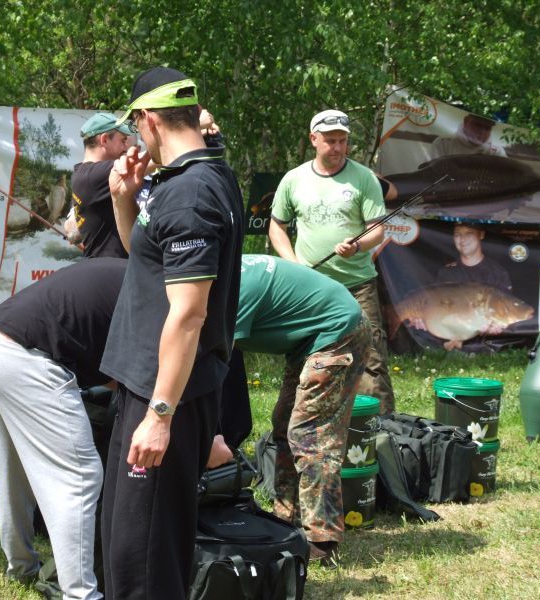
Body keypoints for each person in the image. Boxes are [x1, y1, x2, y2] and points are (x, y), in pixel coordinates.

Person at [99, 66, 244, 600]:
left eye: (136, 127)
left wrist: (160, 416)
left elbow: (188, 314)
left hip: (166, 395)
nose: (137, 139)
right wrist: (124, 197)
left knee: (145, 558)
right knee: (125, 546)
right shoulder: (198, 175)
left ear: (149, 119)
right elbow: (146, 257)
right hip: (146, 385)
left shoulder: (190, 194)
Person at [0, 257, 128, 598]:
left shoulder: (124, 273)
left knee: (13, 470)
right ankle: (81, 593)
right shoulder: (154, 296)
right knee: (81, 476)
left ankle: (21, 566)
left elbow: (112, 372)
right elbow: (132, 378)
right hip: (28, 359)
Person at [211, 255, 370, 566]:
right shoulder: (224, 273)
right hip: (308, 343)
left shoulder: (233, 293)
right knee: (284, 424)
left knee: (309, 433)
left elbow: (215, 366)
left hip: (341, 331)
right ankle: (287, 517)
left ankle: (322, 538)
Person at [268, 109, 394, 413]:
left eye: (342, 141)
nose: (337, 147)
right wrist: (292, 264)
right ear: (314, 139)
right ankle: (294, 428)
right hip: (311, 287)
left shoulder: (364, 178)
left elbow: (377, 230)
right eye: (330, 141)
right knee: (303, 357)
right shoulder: (294, 179)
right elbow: (276, 226)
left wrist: (358, 245)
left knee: (371, 360)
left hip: (358, 285)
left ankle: (379, 429)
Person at [409, 223, 513, 351]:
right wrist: (423, 318)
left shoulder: (497, 272)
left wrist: (499, 327)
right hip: (449, 329)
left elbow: (506, 312)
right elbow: (437, 306)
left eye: (469, 233)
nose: (462, 239)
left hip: (483, 340)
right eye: (457, 234)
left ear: (481, 235)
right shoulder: (446, 272)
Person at [71, 113, 133, 258]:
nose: (126, 147)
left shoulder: (83, 174)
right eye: (123, 140)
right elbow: (140, 162)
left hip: (104, 265)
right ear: (104, 139)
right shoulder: (93, 175)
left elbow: (72, 230)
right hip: (111, 267)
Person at [428, 114, 506, 159]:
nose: (482, 131)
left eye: (487, 128)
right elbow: (430, 173)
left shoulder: (496, 152)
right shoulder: (443, 143)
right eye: (478, 125)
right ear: (466, 121)